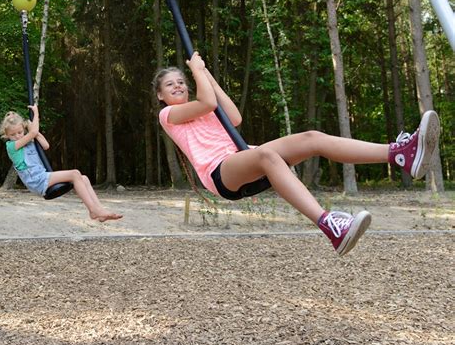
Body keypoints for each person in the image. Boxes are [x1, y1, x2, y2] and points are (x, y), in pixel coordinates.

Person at [153, 52, 440, 257]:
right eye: (171, 84)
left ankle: (400, 154)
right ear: (160, 96)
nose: (179, 85)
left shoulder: (204, 106)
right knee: (266, 155)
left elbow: (234, 117)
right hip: (220, 173)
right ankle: (330, 226)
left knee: (311, 138)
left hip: (245, 160)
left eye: (181, 81)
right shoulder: (169, 115)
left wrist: (207, 75)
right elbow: (206, 101)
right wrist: (197, 71)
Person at [0, 105, 123, 223]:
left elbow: (46, 145)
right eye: (12, 135)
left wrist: (36, 133)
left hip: (42, 176)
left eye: (20, 132)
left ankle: (97, 210)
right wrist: (36, 114)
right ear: (6, 135)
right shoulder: (12, 147)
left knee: (83, 178)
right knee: (75, 173)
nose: (17, 136)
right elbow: (33, 132)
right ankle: (94, 210)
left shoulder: (29, 139)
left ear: (23, 129)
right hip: (36, 180)